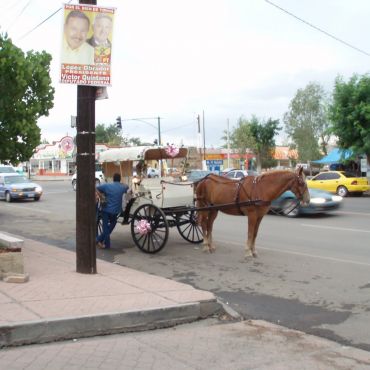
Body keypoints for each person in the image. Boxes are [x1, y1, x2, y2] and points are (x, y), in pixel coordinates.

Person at [96, 173, 129, 249]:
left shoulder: (107, 186)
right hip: (116, 211)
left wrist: (100, 196)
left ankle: (101, 241)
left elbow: (96, 188)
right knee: (112, 224)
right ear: (119, 179)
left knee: (105, 228)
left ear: (113, 179)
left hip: (106, 209)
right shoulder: (122, 187)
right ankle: (100, 240)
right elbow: (127, 186)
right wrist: (121, 183)